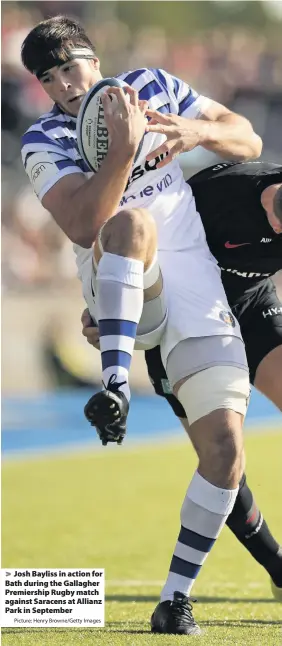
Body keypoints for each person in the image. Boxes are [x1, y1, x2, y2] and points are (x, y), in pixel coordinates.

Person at [21, 15, 262, 635]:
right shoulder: (44, 138)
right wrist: (124, 150)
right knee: (129, 223)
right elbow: (82, 223)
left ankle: (174, 598)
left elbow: (247, 139)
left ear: (94, 59)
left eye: (70, 67)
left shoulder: (154, 84)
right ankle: (115, 386)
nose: (66, 87)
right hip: (127, 281)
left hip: (197, 286)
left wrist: (192, 129)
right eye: (49, 79)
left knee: (226, 452)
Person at [82, 160, 282, 602]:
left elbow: (239, 130)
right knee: (221, 455)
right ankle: (276, 565)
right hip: (185, 318)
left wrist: (192, 128)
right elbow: (127, 247)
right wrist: (103, 302)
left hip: (252, 307)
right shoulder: (218, 194)